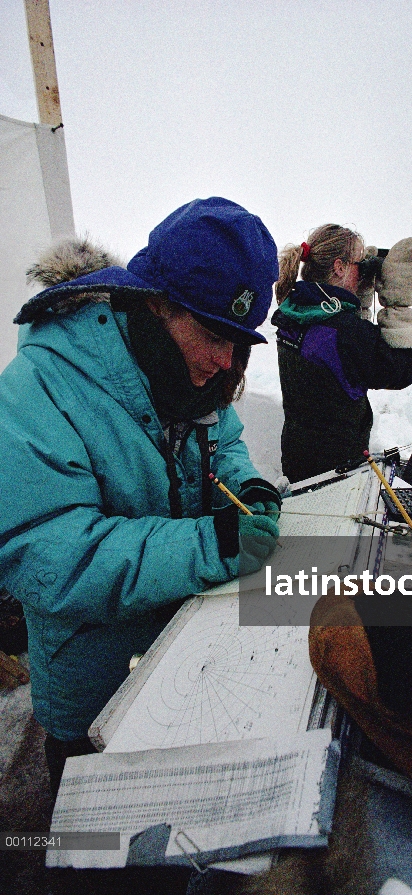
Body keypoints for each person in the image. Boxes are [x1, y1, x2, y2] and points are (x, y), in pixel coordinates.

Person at [0, 197, 281, 794]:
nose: (224, 361)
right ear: (155, 305)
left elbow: (222, 442)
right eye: (211, 333)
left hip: (184, 663)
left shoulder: (195, 372)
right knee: (97, 859)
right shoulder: (41, 386)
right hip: (93, 697)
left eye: (240, 343)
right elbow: (45, 553)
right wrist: (210, 544)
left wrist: (247, 488)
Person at [272, 224, 412, 483]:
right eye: (358, 264)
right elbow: (402, 371)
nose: (362, 270)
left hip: (298, 458)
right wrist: (398, 302)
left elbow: (344, 360)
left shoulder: (293, 311)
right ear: (339, 267)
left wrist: (359, 302)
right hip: (337, 471)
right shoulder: (345, 332)